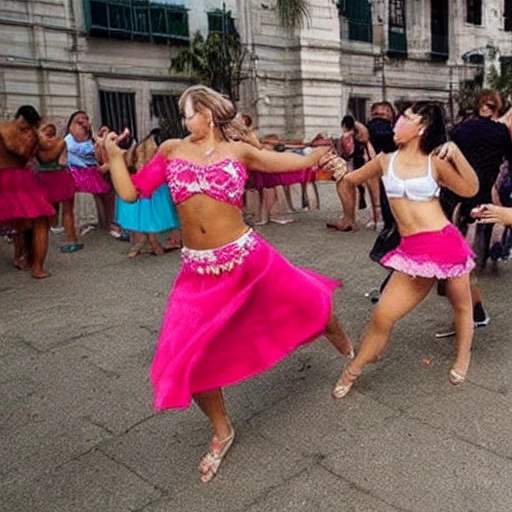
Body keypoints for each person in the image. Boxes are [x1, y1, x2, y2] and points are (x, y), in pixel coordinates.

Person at [100, 84, 354, 484]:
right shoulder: (170, 150)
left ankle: (330, 325)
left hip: (247, 258)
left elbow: (292, 163)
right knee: (189, 356)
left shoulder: (240, 151)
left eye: (190, 113)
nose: (185, 122)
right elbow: (131, 193)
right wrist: (115, 156)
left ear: (208, 112)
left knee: (306, 298)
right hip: (198, 271)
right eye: (184, 115)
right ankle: (222, 431)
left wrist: (328, 153)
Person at [330, 102, 479, 400]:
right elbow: (350, 182)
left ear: (421, 128)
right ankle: (356, 366)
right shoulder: (385, 160)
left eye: (406, 118)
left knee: (462, 304)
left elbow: (470, 189)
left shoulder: (434, 163)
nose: (398, 122)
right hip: (412, 251)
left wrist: (457, 154)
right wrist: (340, 173)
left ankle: (462, 357)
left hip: (444, 243)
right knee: (383, 315)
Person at [437, 89, 512, 336]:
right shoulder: (501, 133)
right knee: (464, 261)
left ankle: (471, 313)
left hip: (453, 199)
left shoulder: (460, 129)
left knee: (454, 262)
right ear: (497, 108)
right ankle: (473, 311)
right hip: (480, 200)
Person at [0, 105, 55, 278]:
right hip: (21, 179)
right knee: (39, 221)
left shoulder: (3, 129)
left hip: (4, 175)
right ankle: (37, 268)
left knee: (19, 222)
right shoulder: (31, 134)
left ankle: (19, 257)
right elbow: (45, 156)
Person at [116, 129, 181, 258]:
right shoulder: (156, 147)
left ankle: (142, 245)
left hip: (138, 184)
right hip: (150, 186)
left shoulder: (141, 145)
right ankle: (154, 246)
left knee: (143, 220)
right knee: (149, 220)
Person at [64, 111, 119, 238]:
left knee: (108, 193)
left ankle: (108, 222)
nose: (84, 122)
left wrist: (98, 135)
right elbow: (79, 149)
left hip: (93, 172)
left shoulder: (92, 138)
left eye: (86, 119)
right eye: (79, 121)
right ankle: (98, 223)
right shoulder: (68, 140)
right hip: (77, 172)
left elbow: (96, 148)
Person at [36, 121, 83, 253]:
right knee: (68, 211)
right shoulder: (60, 143)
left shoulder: (36, 146)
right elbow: (62, 160)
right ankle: (72, 239)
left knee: (47, 210)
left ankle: (49, 236)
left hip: (43, 177)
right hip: (60, 176)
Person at [327, 115, 379, 232]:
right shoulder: (362, 136)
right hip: (368, 163)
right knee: (373, 194)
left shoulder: (346, 137)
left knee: (347, 187)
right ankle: (377, 220)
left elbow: (345, 152)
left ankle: (349, 219)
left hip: (355, 166)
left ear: (344, 126)